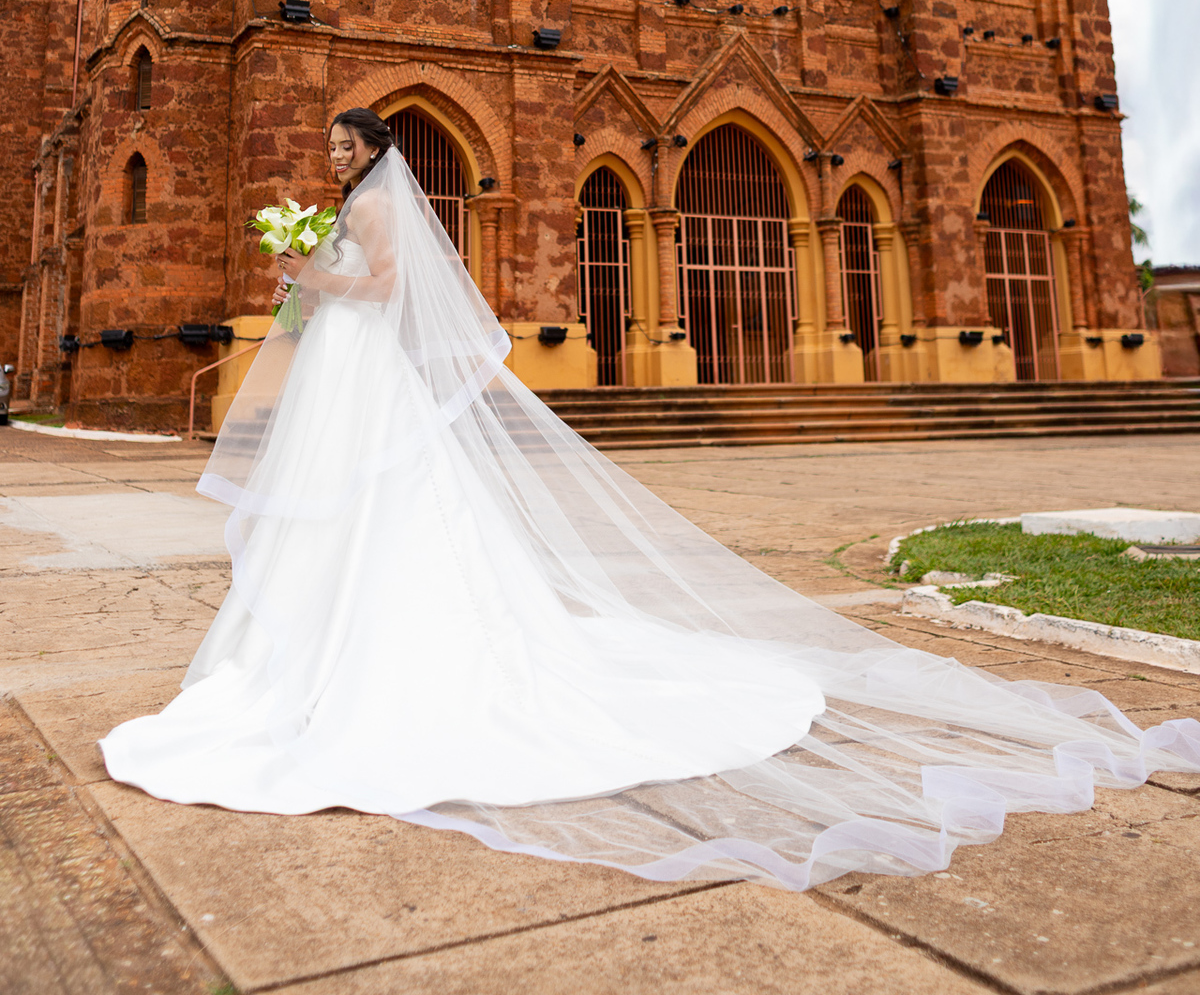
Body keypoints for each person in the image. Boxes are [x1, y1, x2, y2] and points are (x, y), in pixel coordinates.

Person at [101, 110, 1200, 890]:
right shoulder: (353, 203)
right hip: (346, 385)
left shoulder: (380, 214)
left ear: (377, 151)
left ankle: (374, 657)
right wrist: (307, 279)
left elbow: (384, 291)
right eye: (333, 145)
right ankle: (302, 652)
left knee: (391, 510)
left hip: (368, 379)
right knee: (344, 516)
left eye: (347, 145)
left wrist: (316, 277)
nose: (335, 155)